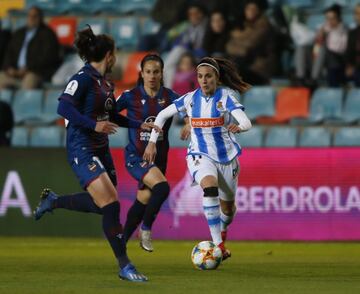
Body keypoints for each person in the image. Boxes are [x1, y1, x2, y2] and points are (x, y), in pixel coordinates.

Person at [33, 27, 152, 282]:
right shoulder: (83, 78)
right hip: (82, 148)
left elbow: (109, 116)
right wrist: (93, 125)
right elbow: (63, 106)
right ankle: (125, 266)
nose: (116, 58)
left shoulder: (106, 83)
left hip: (101, 148)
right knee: (111, 204)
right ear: (109, 55)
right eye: (115, 54)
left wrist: (137, 124)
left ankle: (53, 201)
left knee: (104, 206)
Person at [143, 57, 252, 260]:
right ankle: (217, 245)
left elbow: (246, 122)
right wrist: (152, 142)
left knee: (227, 210)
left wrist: (239, 127)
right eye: (200, 76)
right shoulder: (190, 98)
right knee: (209, 188)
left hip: (227, 158)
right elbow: (162, 115)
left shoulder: (226, 97)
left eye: (208, 76)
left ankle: (222, 233)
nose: (203, 80)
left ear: (217, 78)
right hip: (199, 155)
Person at [117, 54, 189, 252]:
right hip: (136, 156)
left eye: (156, 72)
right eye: (148, 72)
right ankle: (146, 229)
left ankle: (120, 245)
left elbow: (189, 109)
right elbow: (110, 114)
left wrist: (189, 122)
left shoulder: (170, 96)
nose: (152, 76)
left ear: (161, 73)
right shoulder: (129, 96)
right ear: (141, 73)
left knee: (143, 199)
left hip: (159, 159)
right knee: (162, 188)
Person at [0, 6, 61, 89]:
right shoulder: (19, 33)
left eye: (35, 16)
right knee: (1, 78)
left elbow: (47, 58)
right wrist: (9, 68)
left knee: (29, 80)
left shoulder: (48, 34)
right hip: (14, 72)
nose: (32, 18)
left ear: (40, 18)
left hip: (35, 72)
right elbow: (9, 53)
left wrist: (28, 69)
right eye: (29, 16)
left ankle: (25, 102)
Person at [225, 0, 276, 85]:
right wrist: (240, 43)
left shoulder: (263, 25)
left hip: (259, 69)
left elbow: (248, 46)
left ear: (259, 11)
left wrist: (238, 38)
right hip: (246, 65)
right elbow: (228, 46)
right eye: (248, 9)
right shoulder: (247, 26)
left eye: (253, 9)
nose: (250, 11)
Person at [345, 3, 360, 86]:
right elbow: (349, 51)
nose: (358, 17)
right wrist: (349, 65)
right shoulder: (352, 33)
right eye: (356, 13)